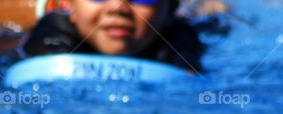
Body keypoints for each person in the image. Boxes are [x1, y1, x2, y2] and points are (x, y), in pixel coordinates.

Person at [21, 0, 206, 72]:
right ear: (67, 4)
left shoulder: (183, 42)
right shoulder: (28, 34)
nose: (118, 7)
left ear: (170, 8)